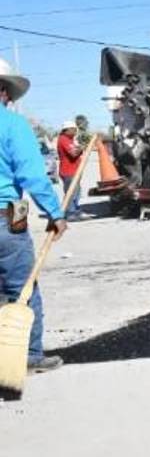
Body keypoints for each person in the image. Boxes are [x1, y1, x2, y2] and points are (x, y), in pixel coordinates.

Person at [0, 58, 67, 373]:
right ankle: (28, 356)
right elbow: (32, 175)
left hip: (9, 214)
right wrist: (55, 212)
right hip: (7, 216)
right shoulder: (12, 125)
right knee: (22, 287)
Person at [56, 121, 83, 219]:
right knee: (71, 192)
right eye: (73, 129)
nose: (75, 131)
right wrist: (80, 149)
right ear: (66, 130)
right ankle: (70, 212)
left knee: (77, 192)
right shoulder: (64, 140)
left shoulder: (71, 140)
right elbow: (74, 153)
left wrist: (79, 149)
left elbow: (77, 151)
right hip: (68, 171)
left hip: (74, 171)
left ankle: (75, 210)